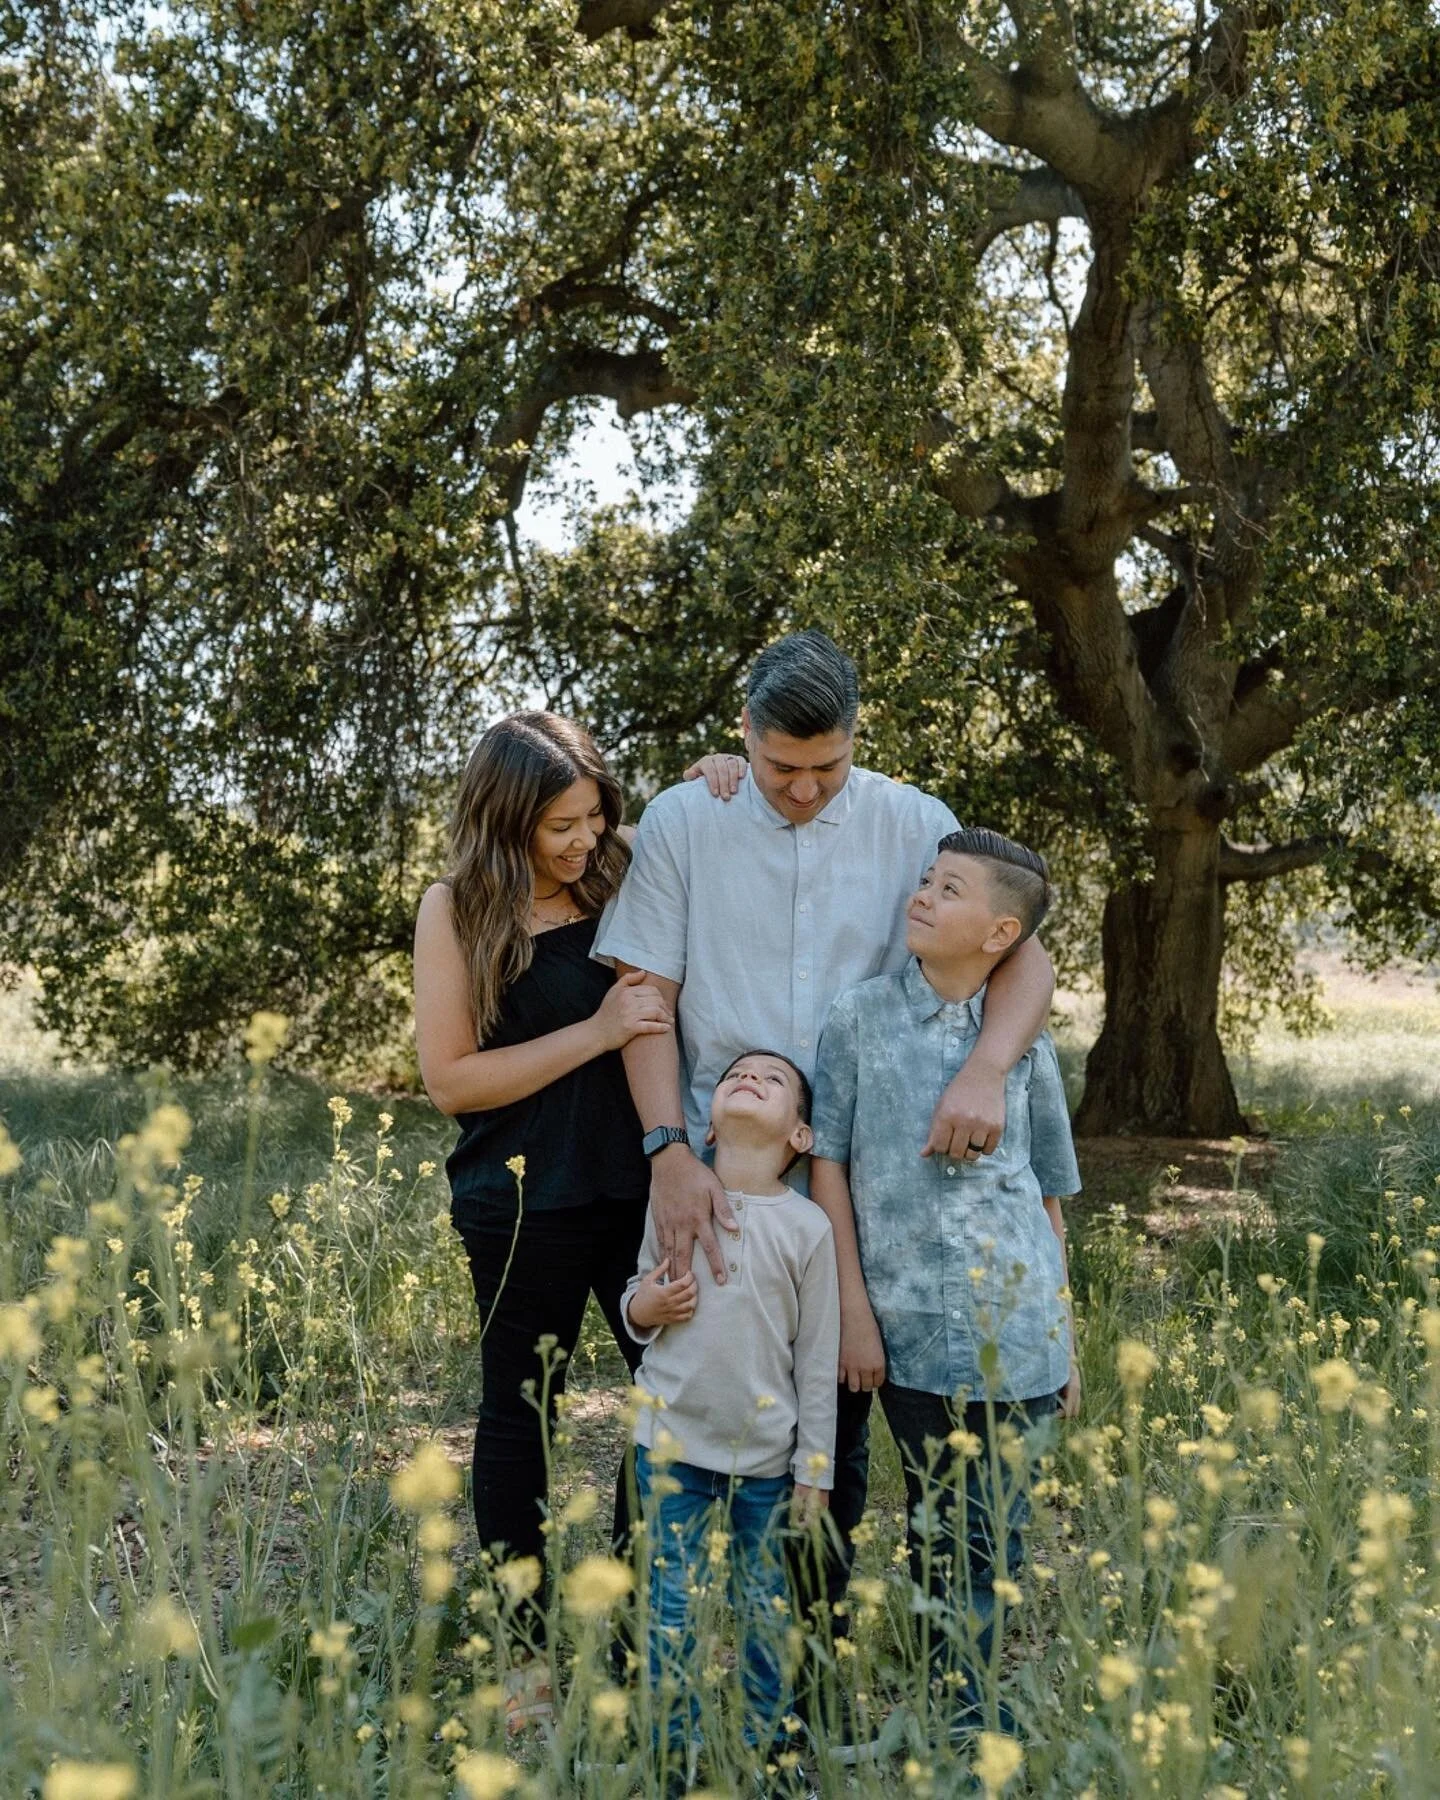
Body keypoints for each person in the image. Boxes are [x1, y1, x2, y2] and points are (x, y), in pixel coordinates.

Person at [593, 630, 1055, 1738]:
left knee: (828, 1425)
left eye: (827, 768)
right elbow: (646, 995)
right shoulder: (687, 817)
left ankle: (797, 1692)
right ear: (741, 732)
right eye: (778, 766)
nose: (802, 790)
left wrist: (989, 1066)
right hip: (717, 1153)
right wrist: (668, 1152)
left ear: (858, 739)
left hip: (856, 1167)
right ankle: (636, 1689)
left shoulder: (911, 820)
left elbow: (1023, 946)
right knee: (676, 1390)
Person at [412, 712, 743, 1734]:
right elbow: (452, 1079)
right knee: (522, 1416)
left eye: (595, 817)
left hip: (644, 1191)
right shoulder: (458, 909)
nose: (580, 841)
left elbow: (707, 828)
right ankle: (524, 1657)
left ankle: (653, 1634)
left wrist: (718, 773)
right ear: (503, 814)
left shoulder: (621, 872)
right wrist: (596, 1033)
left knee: (672, 1402)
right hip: (520, 1201)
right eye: (559, 824)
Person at [809, 828, 1082, 1742]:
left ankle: (966, 1726)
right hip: (911, 1330)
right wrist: (853, 1311)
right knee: (938, 1524)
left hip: (1021, 1336)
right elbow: (832, 1170)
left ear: (1002, 933)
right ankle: (938, 1709)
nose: (921, 895)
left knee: (991, 1537)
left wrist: (1063, 1333)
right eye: (925, 880)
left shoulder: (1023, 1048)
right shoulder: (856, 1018)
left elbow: (1048, 1193)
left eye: (949, 889)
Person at [623, 1049, 839, 1784]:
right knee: (671, 1615)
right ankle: (671, 1761)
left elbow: (816, 1359)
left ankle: (766, 1755)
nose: (750, 1079)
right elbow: (636, 1300)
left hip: (765, 1466)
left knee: (764, 1617)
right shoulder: (676, 1203)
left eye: (773, 1081)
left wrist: (817, 1469)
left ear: (800, 1137)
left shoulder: (808, 1228)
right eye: (736, 1076)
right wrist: (644, 1308)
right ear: (705, 1124)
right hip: (671, 1446)